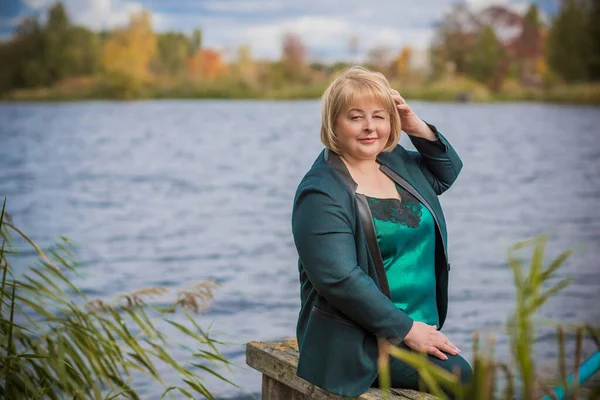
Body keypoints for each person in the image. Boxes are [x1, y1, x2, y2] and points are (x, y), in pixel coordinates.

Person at [291, 66, 472, 398]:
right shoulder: (321, 192)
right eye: (356, 117)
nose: (370, 127)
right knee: (459, 375)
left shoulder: (395, 161)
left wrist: (415, 125)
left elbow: (447, 173)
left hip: (415, 328)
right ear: (333, 124)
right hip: (356, 343)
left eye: (379, 116)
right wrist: (406, 330)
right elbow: (339, 278)